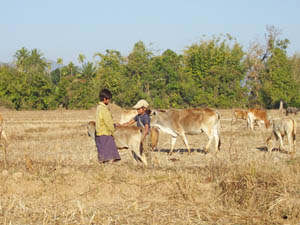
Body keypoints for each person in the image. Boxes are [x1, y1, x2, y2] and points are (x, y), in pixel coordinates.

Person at [95, 88, 121, 164]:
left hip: (99, 134)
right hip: (105, 134)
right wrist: (112, 131)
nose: (109, 101)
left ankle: (105, 170)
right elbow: (108, 122)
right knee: (111, 156)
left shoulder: (98, 108)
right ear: (105, 99)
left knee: (103, 156)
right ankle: (109, 170)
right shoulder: (104, 109)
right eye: (108, 99)